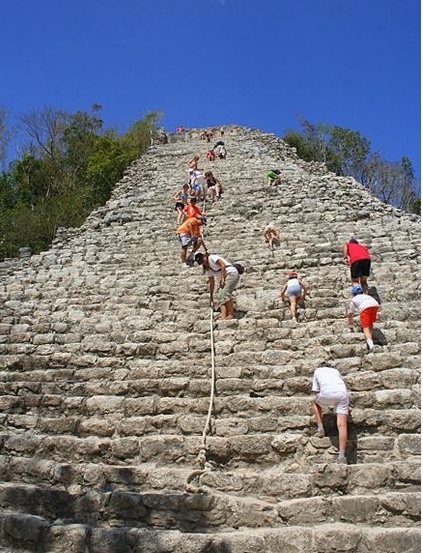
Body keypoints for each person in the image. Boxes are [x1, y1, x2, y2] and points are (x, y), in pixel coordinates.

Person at [312, 362, 349, 465]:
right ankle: (342, 456)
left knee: (314, 401)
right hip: (342, 394)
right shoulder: (336, 371)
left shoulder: (317, 371)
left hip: (327, 394)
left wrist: (325, 405)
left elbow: (315, 391)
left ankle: (320, 429)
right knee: (342, 425)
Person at [194, 252, 240, 319]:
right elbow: (212, 283)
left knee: (225, 294)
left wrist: (222, 278)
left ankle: (231, 314)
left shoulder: (212, 258)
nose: (203, 262)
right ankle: (224, 315)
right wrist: (211, 297)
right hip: (225, 276)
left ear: (204, 256)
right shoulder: (207, 269)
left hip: (231, 273)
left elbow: (223, 265)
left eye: (202, 260)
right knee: (220, 295)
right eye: (201, 262)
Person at [347, 285, 380, 351]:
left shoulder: (354, 299)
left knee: (365, 327)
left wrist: (350, 324)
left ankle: (371, 346)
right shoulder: (367, 296)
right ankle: (370, 339)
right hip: (375, 305)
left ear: (353, 294)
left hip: (365, 308)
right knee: (370, 323)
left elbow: (350, 313)